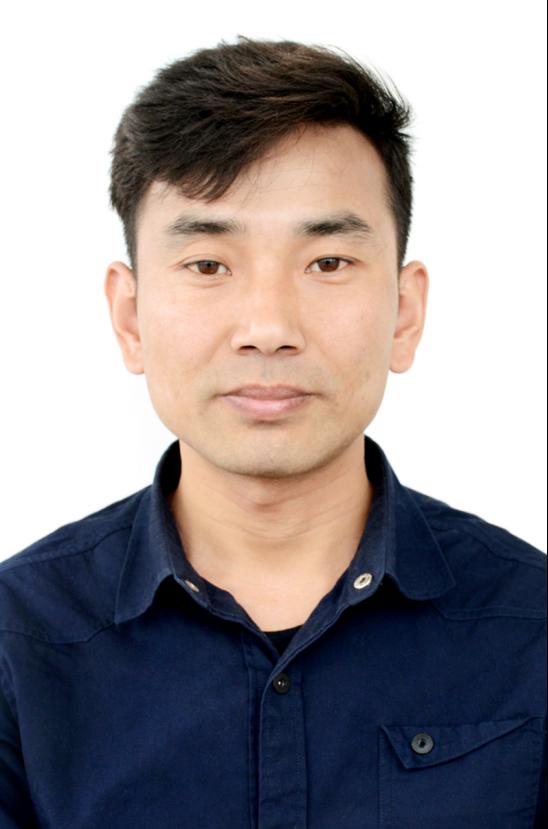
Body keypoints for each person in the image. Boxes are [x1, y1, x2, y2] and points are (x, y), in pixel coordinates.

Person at [0, 36, 545, 828]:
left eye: (327, 262)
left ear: (405, 312)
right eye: (208, 265)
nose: (267, 328)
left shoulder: (532, 627)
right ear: (130, 316)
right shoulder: (19, 641)